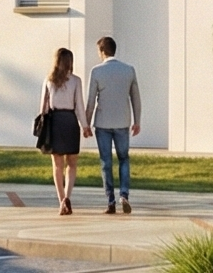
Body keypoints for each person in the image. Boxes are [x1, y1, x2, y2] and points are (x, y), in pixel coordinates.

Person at [86, 36, 142, 216]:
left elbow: (90, 101)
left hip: (102, 123)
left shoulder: (96, 71)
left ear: (102, 51)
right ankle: (124, 194)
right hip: (122, 122)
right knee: (124, 158)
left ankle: (110, 201)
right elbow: (136, 98)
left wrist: (86, 123)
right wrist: (137, 121)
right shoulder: (129, 70)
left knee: (106, 162)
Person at [39, 47, 86, 216]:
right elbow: (79, 105)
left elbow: (43, 106)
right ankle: (68, 196)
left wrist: (43, 127)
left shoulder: (48, 80)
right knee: (71, 163)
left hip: (54, 121)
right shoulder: (76, 81)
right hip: (70, 121)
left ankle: (61, 200)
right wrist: (85, 126)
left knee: (57, 164)